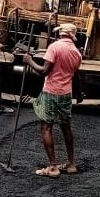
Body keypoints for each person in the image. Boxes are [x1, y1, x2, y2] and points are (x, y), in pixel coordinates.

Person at [24, 23, 83, 178]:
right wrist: (79, 93)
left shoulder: (54, 47)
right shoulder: (77, 53)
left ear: (61, 34)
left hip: (51, 92)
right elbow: (75, 75)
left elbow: (44, 71)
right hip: (66, 93)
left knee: (46, 128)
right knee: (66, 127)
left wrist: (29, 61)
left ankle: (52, 167)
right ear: (72, 36)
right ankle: (71, 164)